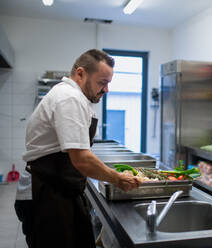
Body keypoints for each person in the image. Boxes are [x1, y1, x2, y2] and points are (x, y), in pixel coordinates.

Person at [17, 49, 142, 248]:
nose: (107, 90)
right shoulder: (69, 98)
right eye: (102, 82)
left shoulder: (74, 97)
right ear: (81, 73)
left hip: (61, 189)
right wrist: (117, 178)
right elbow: (81, 158)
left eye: (108, 83)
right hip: (47, 194)